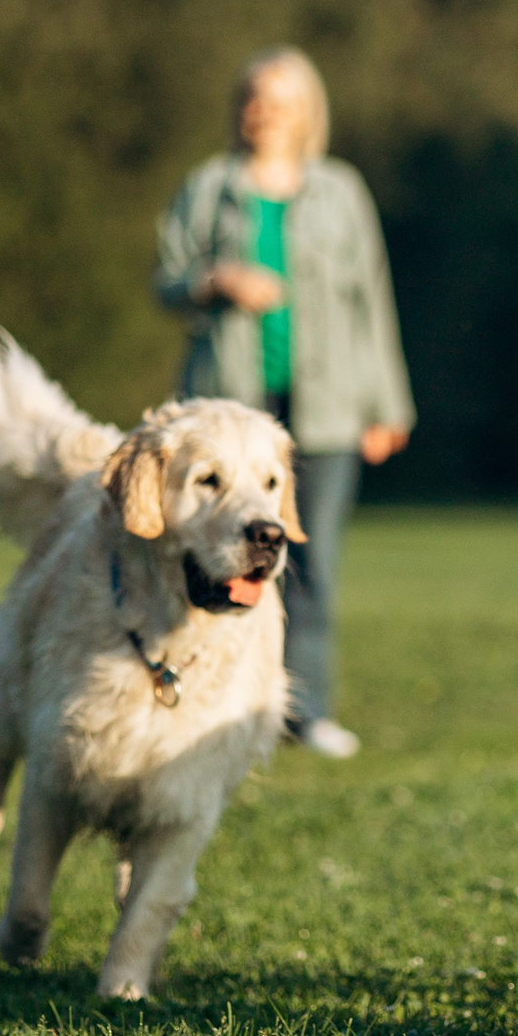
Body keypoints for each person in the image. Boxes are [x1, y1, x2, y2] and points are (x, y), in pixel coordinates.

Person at [153, 47, 413, 757]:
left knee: (311, 559)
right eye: (253, 97)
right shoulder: (207, 188)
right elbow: (166, 281)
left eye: (280, 100)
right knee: (215, 554)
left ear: (308, 114)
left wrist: (388, 403)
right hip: (232, 409)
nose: (263, 112)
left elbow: (372, 299)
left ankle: (308, 709)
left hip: (327, 408)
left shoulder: (341, 191)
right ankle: (214, 705)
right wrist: (215, 280)